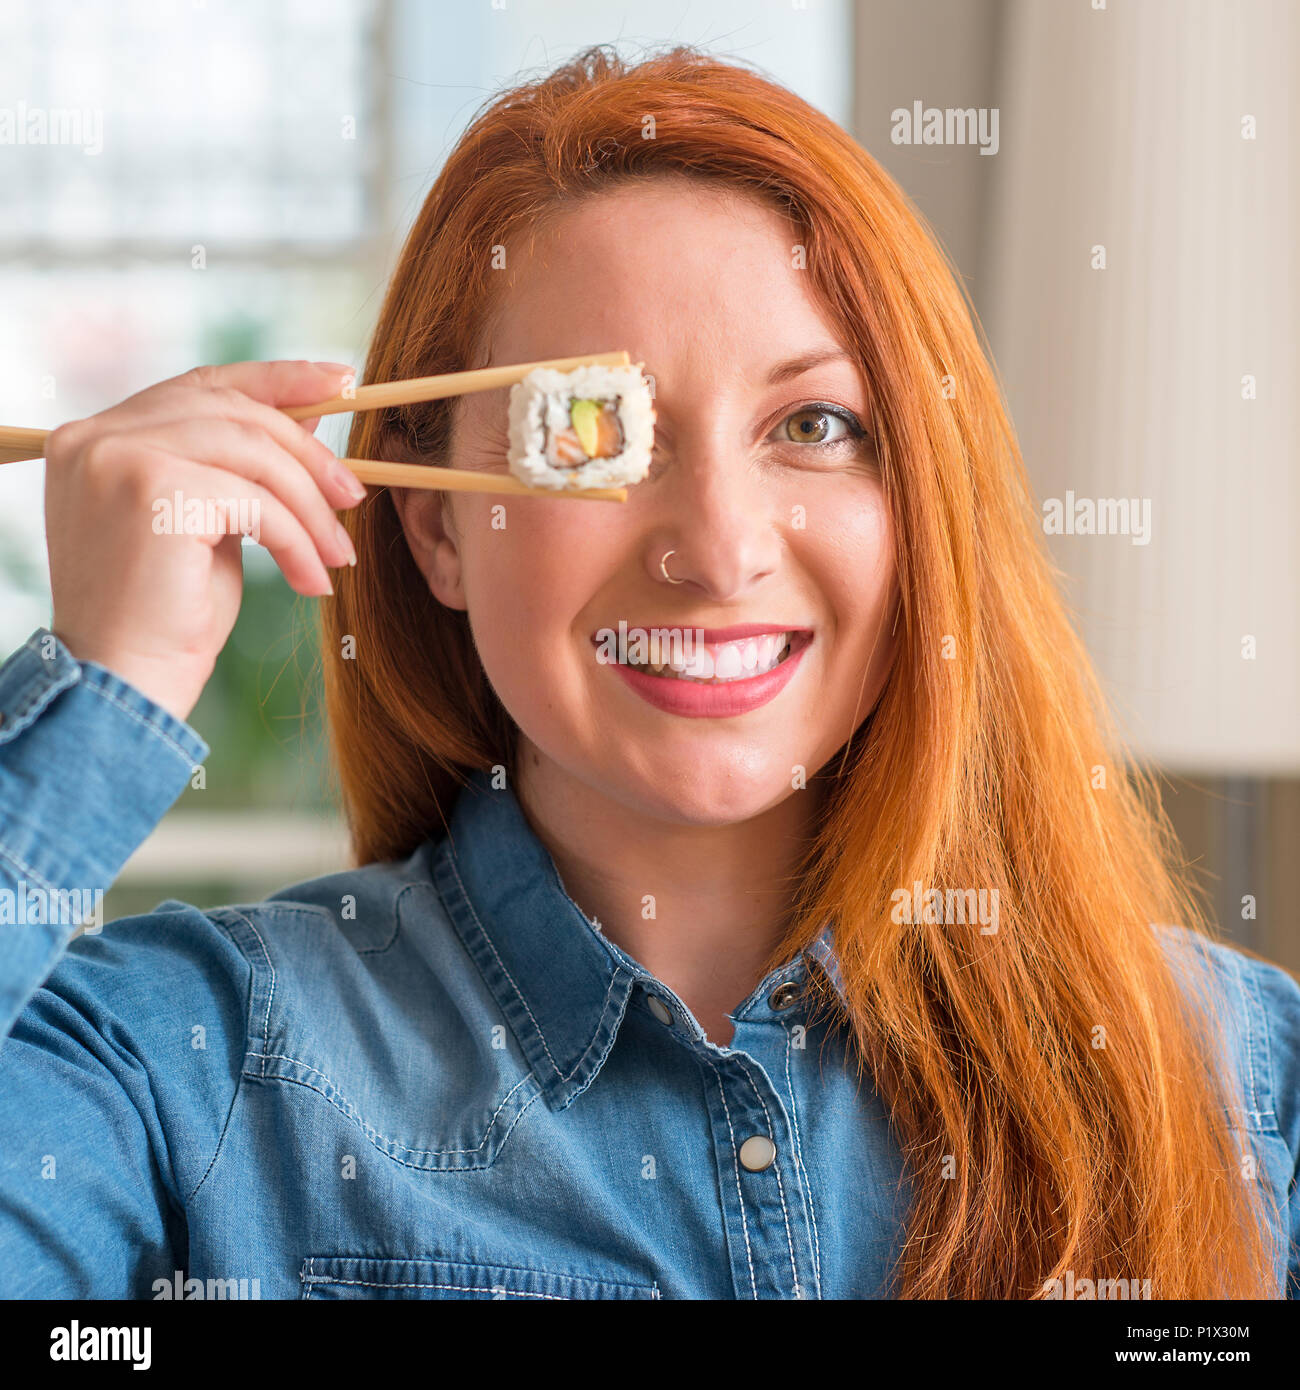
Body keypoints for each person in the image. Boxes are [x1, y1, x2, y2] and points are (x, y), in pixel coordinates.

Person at [1, 45, 1296, 1301]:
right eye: (597, 432)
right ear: (437, 526)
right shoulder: (173, 1064)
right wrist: (112, 682)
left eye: (815, 426)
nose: (720, 549)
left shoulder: (1242, 1073)